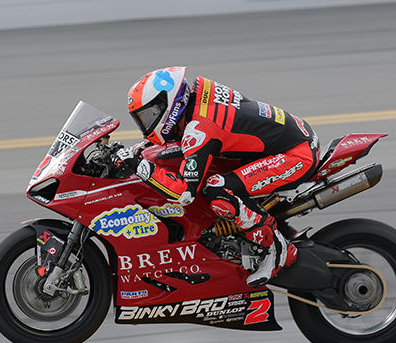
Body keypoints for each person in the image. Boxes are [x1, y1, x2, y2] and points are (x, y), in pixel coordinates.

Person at [115, 67, 320, 287]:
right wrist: (137, 150)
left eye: (149, 115)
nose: (146, 125)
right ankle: (270, 228)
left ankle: (275, 247)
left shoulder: (199, 127)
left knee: (217, 189)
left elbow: (184, 192)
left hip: (295, 155)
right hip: (285, 142)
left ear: (169, 104)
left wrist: (140, 166)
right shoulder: (196, 96)